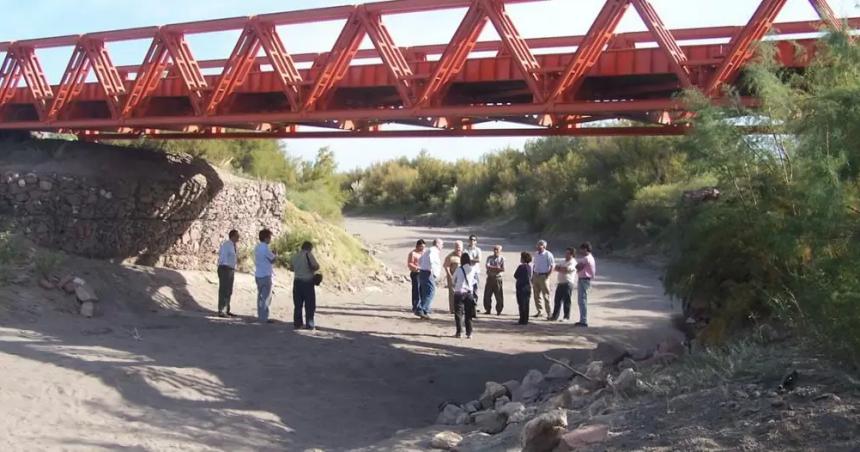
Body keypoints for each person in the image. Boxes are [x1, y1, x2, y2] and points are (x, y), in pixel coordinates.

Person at [292, 241, 321, 330]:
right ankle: (310, 324)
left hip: (297, 281)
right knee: (310, 305)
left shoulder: (295, 256)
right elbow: (315, 266)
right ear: (309, 248)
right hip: (307, 282)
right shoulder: (308, 254)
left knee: (298, 304)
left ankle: (298, 323)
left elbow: (291, 267)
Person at [452, 253, 478, 339]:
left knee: (458, 314)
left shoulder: (459, 269)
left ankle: (459, 332)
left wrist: (458, 284)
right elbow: (475, 281)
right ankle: (469, 333)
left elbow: (453, 280)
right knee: (468, 315)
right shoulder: (472, 269)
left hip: (459, 293)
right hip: (468, 293)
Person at [254, 229, 277, 323]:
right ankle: (264, 317)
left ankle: (260, 315)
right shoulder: (265, 248)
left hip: (258, 273)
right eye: (269, 237)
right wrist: (275, 254)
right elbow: (273, 260)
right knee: (266, 297)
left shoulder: (257, 247)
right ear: (266, 238)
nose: (270, 239)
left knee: (260, 296)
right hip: (266, 274)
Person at [416, 238, 443, 319]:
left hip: (423, 272)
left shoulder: (428, 250)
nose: (442, 246)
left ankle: (424, 311)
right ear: (437, 244)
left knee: (425, 292)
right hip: (428, 273)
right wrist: (432, 270)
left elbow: (420, 260)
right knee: (431, 291)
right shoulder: (433, 251)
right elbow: (432, 260)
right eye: (442, 244)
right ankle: (422, 309)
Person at [216, 229, 240, 318]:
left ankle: (227, 309)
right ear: (233, 236)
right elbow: (223, 256)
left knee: (229, 290)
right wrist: (224, 265)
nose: (238, 237)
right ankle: (222, 310)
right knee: (224, 290)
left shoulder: (233, 245)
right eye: (237, 236)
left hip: (230, 269)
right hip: (225, 268)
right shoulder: (227, 245)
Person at [550, 247, 577, 322]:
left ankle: (566, 317)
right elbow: (556, 268)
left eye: (568, 253)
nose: (566, 255)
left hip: (568, 283)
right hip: (560, 283)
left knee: (566, 301)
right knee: (557, 300)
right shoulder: (563, 261)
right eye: (566, 253)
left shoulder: (573, 262)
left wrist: (561, 269)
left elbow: (567, 270)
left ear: (572, 254)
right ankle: (555, 316)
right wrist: (562, 268)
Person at [574, 242, 597, 328]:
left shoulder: (586, 258)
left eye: (582, 249)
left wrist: (577, 265)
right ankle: (583, 319)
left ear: (585, 249)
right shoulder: (590, 258)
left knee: (582, 300)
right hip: (586, 279)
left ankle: (583, 320)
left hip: (584, 279)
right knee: (583, 300)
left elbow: (578, 267)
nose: (580, 251)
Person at [532, 240, 555, 319]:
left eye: (540, 245)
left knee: (546, 295)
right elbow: (534, 265)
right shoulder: (536, 254)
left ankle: (549, 313)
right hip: (536, 275)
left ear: (544, 246)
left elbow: (552, 266)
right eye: (537, 245)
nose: (538, 246)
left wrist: (547, 275)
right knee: (536, 295)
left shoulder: (548, 254)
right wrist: (533, 275)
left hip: (543, 276)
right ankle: (539, 311)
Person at [483, 245, 505, 315]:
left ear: (500, 251)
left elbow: (503, 269)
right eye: (494, 249)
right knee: (487, 295)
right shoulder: (489, 258)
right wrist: (497, 268)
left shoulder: (502, 259)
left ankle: (499, 310)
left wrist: (493, 268)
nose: (495, 251)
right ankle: (488, 309)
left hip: (497, 279)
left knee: (499, 295)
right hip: (490, 278)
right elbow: (487, 266)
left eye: (497, 250)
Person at [444, 241, 464, 314]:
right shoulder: (450, 256)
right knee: (453, 293)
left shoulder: (465, 255)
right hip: (453, 277)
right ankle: (453, 309)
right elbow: (446, 267)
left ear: (462, 247)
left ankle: (461, 308)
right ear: (454, 247)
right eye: (457, 246)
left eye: (459, 246)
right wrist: (450, 276)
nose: (458, 248)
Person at [514, 252, 533, 325]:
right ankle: (525, 319)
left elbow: (515, 275)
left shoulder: (521, 267)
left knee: (521, 304)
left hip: (521, 287)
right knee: (526, 304)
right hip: (528, 287)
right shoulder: (530, 267)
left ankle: (522, 319)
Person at [407, 239, 426, 314]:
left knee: (423, 290)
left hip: (423, 273)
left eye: (423, 247)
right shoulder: (413, 253)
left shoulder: (424, 253)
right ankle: (415, 306)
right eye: (421, 247)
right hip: (416, 273)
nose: (422, 248)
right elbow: (409, 263)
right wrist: (417, 267)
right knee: (416, 290)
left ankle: (422, 305)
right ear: (417, 246)